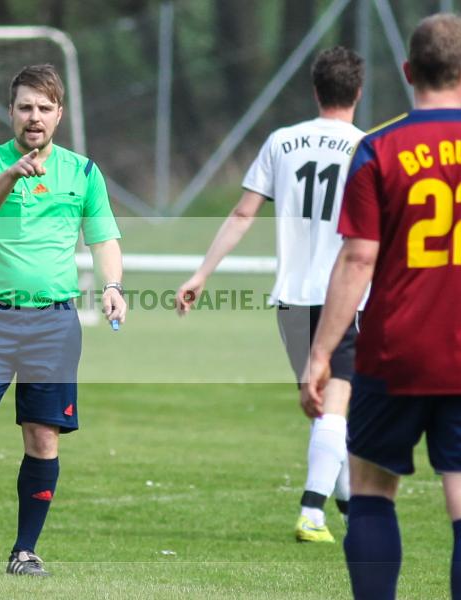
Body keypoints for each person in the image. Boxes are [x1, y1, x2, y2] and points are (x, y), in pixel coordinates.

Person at [302, 14, 461, 600]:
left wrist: (322, 353)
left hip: (392, 354)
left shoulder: (379, 148)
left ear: (408, 72)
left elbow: (358, 260)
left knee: (373, 487)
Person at [0, 64, 126, 577]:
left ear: (58, 114)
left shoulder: (82, 172)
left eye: (43, 108)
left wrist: (111, 286)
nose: (33, 117)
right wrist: (12, 173)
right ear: (10, 112)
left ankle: (26, 549)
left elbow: (103, 238)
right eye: (24, 107)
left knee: (42, 437)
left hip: (53, 323)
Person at [175, 47, 366, 543]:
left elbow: (242, 214)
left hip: (290, 300)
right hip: (343, 296)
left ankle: (351, 513)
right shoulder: (370, 148)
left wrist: (201, 273)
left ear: (315, 90)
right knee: (338, 405)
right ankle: (312, 512)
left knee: (325, 407)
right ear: (358, 92)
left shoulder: (282, 142)